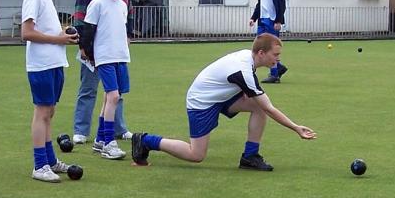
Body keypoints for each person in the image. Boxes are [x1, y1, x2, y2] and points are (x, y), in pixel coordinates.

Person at [131, 33, 316, 171]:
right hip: (202, 101)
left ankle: (250, 157)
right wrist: (296, 128)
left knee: (257, 108)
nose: (278, 58)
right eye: (275, 54)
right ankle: (146, 140)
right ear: (261, 53)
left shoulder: (248, 58)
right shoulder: (243, 70)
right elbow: (270, 108)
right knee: (196, 155)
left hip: (221, 95)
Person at [21, 0, 79, 182]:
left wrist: (62, 33)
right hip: (41, 65)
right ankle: (39, 165)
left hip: (54, 63)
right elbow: (27, 33)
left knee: (49, 113)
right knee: (42, 112)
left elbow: (43, 29)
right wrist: (59, 39)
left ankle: (50, 160)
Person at [72, 0, 133, 145]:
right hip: (99, 52)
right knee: (91, 89)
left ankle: (114, 131)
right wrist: (85, 47)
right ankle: (84, 132)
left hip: (118, 54)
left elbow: (125, 19)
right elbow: (83, 20)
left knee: (114, 95)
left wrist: (128, 36)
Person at [249, 0, 288, 84]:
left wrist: (278, 20)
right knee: (259, 44)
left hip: (272, 20)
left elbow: (282, 4)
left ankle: (274, 75)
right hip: (262, 19)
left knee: (271, 46)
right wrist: (253, 18)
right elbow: (260, 3)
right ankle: (277, 67)